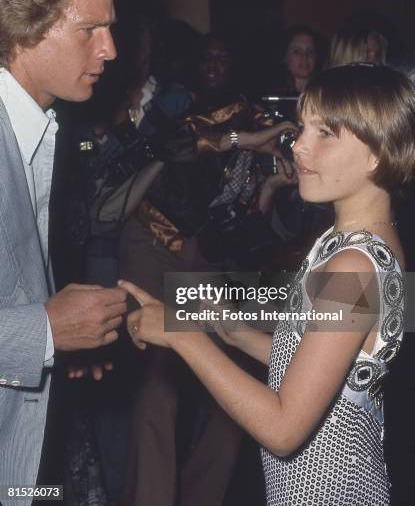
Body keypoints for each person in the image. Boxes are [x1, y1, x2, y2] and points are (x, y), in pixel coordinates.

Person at [123, 64, 415, 505]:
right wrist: (236, 333)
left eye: (325, 133)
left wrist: (181, 339)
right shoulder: (351, 244)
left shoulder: (353, 266)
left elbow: (283, 429)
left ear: (379, 153)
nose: (298, 145)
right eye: (303, 128)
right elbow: (323, 367)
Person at [0, 0, 127, 501]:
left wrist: (54, 348)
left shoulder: (43, 130)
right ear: (26, 26)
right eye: (90, 30)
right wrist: (46, 332)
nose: (111, 50)